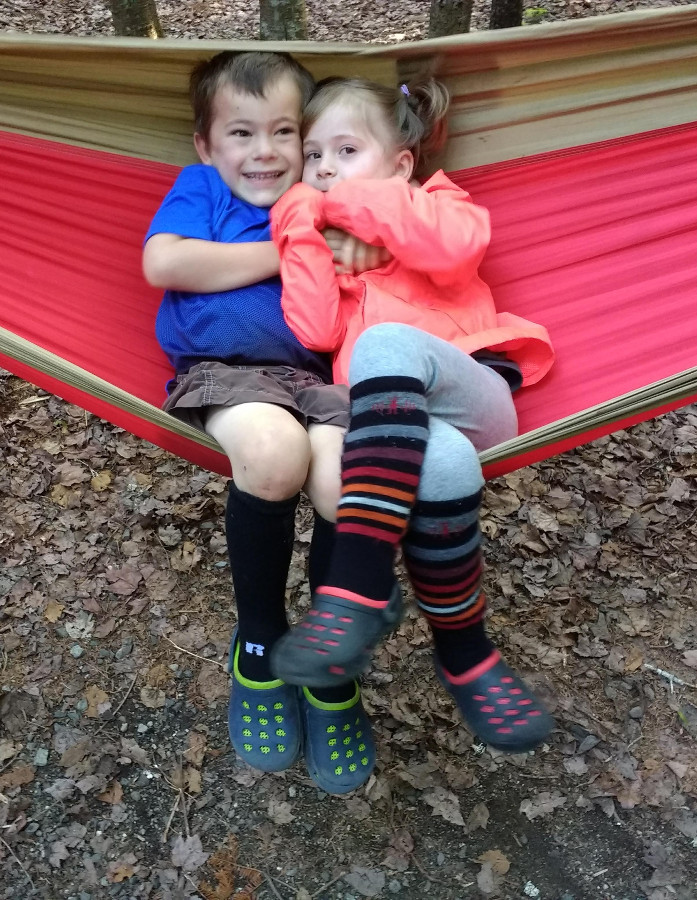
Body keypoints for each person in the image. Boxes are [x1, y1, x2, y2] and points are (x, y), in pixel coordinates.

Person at [269, 77, 558, 754]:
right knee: (447, 463)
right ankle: (468, 657)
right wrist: (301, 224)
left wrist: (357, 206)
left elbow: (452, 248)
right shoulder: (335, 245)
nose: (327, 169)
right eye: (314, 157)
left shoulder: (439, 203)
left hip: (474, 394)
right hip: (408, 438)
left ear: (401, 163)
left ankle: (358, 590)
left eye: (346, 149)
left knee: (385, 344)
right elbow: (313, 330)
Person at [141, 52, 379, 794]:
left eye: (284, 132)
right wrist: (277, 254)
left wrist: (355, 248)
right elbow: (164, 264)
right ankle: (260, 645)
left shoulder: (326, 193)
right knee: (275, 458)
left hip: (321, 378)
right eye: (241, 133)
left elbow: (382, 254)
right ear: (207, 145)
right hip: (227, 372)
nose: (265, 151)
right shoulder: (202, 189)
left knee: (350, 480)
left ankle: (327, 660)